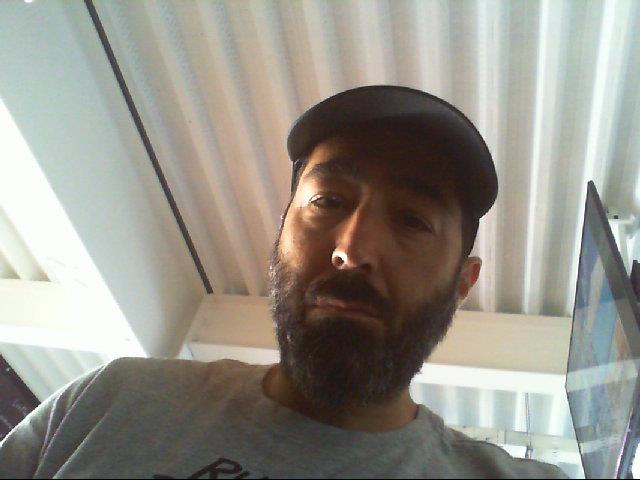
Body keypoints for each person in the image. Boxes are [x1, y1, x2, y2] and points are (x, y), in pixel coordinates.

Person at [0, 86, 568, 478]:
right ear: (279, 237)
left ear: (462, 283)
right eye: (327, 201)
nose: (353, 250)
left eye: (412, 220)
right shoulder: (111, 401)